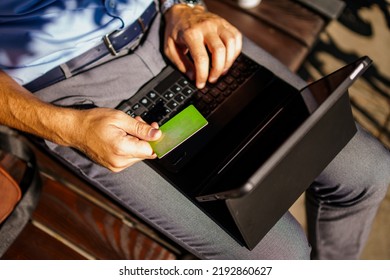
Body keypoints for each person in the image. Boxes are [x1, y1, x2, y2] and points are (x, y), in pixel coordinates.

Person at [0, 0, 389, 259]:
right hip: (64, 91)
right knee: (281, 256)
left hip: (166, 29)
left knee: (366, 169)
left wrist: (185, 5)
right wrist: (65, 126)